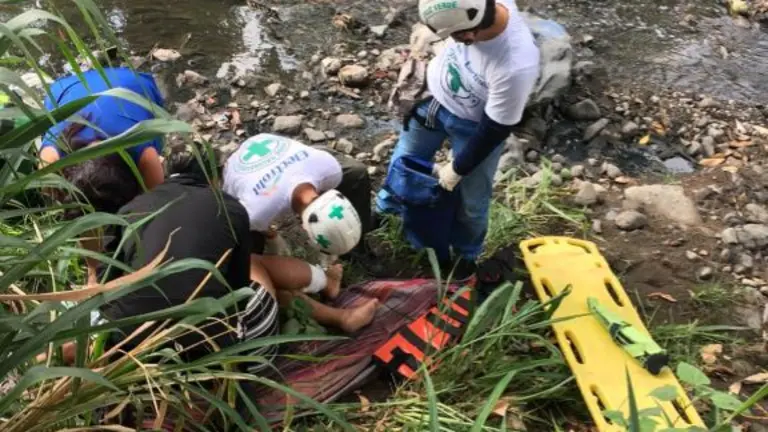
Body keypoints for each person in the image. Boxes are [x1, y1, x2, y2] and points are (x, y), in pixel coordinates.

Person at [43, 155, 378, 367]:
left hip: (140, 353)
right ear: (214, 181)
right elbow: (236, 290)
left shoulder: (133, 210)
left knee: (127, 315)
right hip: (227, 355)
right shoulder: (228, 207)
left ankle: (53, 358)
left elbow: (106, 279)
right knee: (256, 268)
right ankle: (333, 298)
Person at [375, 0, 540, 278]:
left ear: (468, 35)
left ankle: (465, 257)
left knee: (471, 201)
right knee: (402, 162)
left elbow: (495, 128)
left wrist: (457, 168)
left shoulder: (515, 65)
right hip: (432, 101)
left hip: (474, 125)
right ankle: (384, 214)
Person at [40, 67, 167, 284]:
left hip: (132, 84)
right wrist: (93, 273)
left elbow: (155, 210)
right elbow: (76, 214)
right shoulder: (50, 161)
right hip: (66, 90)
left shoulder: (145, 153)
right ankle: (93, 274)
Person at [222, 133, 368, 270]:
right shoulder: (258, 213)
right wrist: (272, 236)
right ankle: (262, 274)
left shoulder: (332, 170)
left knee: (355, 173)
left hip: (268, 142)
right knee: (247, 238)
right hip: (236, 165)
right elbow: (248, 220)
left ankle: (355, 250)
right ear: (304, 227)